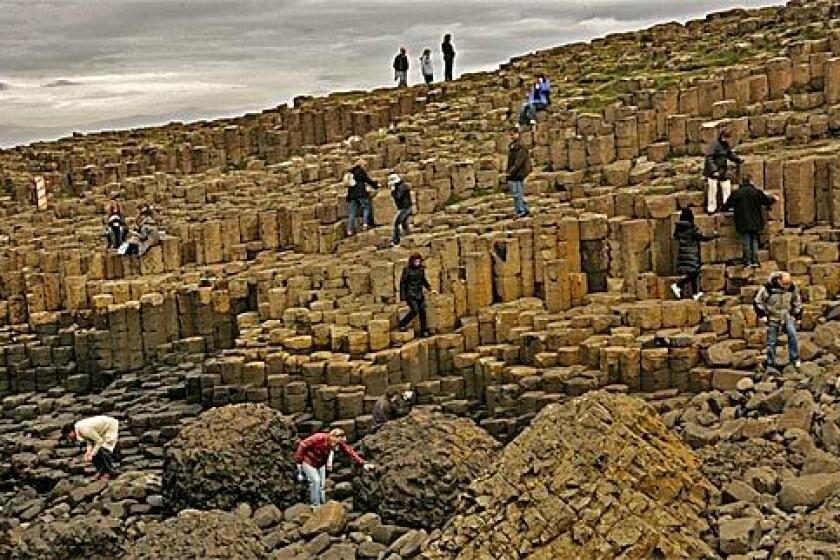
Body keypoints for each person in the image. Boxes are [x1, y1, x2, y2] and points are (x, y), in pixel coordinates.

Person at [294, 428, 374, 507]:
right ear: (333, 437)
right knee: (316, 481)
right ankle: (315, 505)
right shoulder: (319, 437)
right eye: (337, 443)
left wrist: (363, 464)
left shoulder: (338, 443)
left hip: (320, 463)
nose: (337, 446)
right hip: (308, 461)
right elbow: (303, 445)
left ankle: (322, 503)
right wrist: (299, 462)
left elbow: (350, 452)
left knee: (322, 485)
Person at [722, 176, 777, 267]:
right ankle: (755, 261)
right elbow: (766, 200)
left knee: (746, 240)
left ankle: (747, 261)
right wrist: (774, 198)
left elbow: (727, 205)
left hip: (742, 222)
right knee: (754, 240)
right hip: (755, 221)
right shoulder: (756, 192)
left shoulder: (737, 193)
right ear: (751, 181)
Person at [754, 271, 802, 371]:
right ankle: (770, 363)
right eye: (784, 284)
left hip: (786, 316)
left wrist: (797, 316)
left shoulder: (792, 288)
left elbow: (797, 302)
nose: (786, 286)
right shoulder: (767, 288)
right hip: (772, 317)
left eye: (788, 284)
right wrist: (762, 315)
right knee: (771, 341)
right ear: (778, 280)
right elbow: (757, 302)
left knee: (793, 335)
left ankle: (795, 359)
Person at [670, 208, 717, 301]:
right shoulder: (691, 228)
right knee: (693, 273)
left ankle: (696, 293)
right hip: (691, 254)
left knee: (693, 274)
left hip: (683, 254)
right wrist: (713, 235)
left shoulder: (679, 228)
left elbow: (676, 237)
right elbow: (703, 237)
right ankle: (678, 285)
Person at [61, 415, 119, 480]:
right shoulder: (78, 429)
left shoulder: (83, 429)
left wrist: (92, 454)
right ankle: (100, 471)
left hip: (109, 426)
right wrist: (88, 452)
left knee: (104, 449)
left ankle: (108, 472)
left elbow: (99, 441)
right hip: (99, 431)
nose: (69, 439)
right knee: (94, 451)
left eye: (68, 436)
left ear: (71, 431)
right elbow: (90, 440)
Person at [703, 129, 744, 214]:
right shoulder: (714, 145)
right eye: (727, 137)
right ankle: (711, 208)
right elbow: (709, 158)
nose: (728, 140)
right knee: (713, 189)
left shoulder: (725, 145)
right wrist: (714, 170)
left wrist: (738, 160)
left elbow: (730, 154)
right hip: (713, 171)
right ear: (722, 137)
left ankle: (727, 205)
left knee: (726, 186)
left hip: (722, 170)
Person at [398, 253, 435, 336]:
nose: (417, 262)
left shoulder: (421, 270)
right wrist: (403, 298)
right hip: (410, 295)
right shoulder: (406, 270)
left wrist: (430, 289)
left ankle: (424, 331)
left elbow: (424, 281)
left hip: (419, 294)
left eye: (418, 260)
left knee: (423, 311)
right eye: (415, 260)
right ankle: (402, 324)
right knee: (414, 310)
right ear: (412, 261)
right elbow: (402, 284)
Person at [346, 159, 379, 236]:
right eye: (366, 166)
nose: (366, 168)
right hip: (361, 194)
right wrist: (376, 185)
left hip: (352, 196)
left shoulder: (351, 173)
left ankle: (350, 230)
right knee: (366, 208)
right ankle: (365, 225)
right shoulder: (360, 172)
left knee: (352, 213)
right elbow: (367, 180)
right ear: (362, 165)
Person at [506, 128, 531, 217]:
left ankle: (520, 211)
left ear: (517, 134)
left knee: (517, 193)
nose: (511, 137)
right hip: (515, 172)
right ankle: (525, 209)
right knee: (517, 192)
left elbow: (519, 162)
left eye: (513, 134)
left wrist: (510, 172)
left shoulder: (521, 146)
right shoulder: (512, 146)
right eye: (510, 135)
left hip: (519, 172)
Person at [389, 173, 412, 246]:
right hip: (406, 207)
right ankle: (408, 236)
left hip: (404, 208)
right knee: (404, 223)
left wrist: (393, 191)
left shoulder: (401, 187)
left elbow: (398, 197)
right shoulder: (403, 186)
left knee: (395, 223)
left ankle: (395, 241)